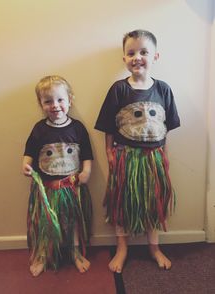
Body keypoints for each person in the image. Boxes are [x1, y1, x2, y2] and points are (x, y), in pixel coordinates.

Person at [95, 29, 180, 273]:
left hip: (154, 159)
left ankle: (154, 247)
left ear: (155, 56)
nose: (137, 57)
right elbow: (108, 127)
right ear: (124, 59)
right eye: (131, 53)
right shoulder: (119, 90)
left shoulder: (163, 89)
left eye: (144, 52)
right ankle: (122, 248)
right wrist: (109, 154)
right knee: (122, 204)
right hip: (126, 158)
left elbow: (167, 128)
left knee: (154, 203)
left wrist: (165, 157)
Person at [23, 75, 93, 277]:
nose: (55, 105)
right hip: (47, 189)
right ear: (41, 104)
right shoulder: (39, 129)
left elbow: (87, 154)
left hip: (71, 188)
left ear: (70, 100)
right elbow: (29, 151)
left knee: (72, 223)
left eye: (60, 99)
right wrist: (26, 165)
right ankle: (44, 255)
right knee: (46, 224)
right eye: (48, 101)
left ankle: (75, 253)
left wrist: (86, 171)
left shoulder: (77, 127)